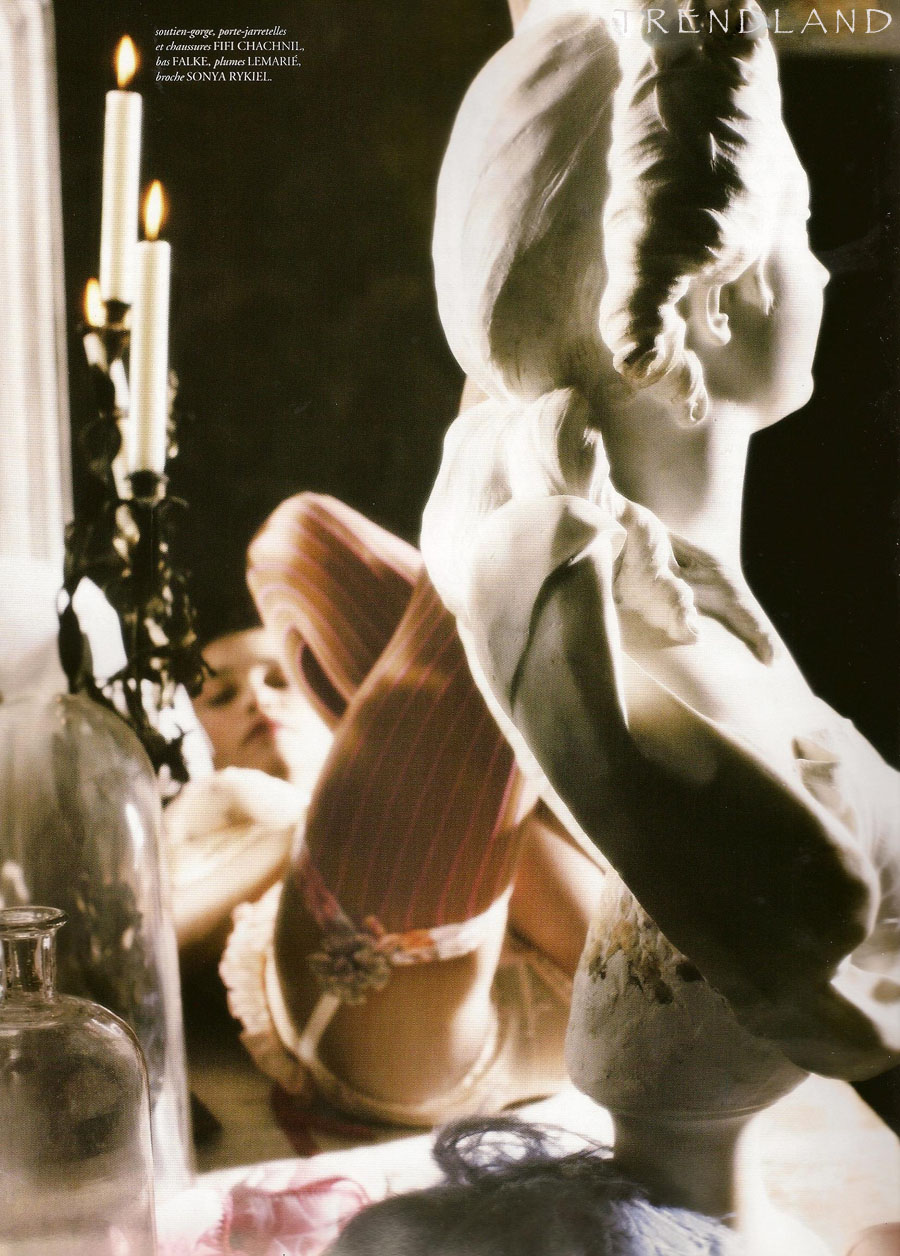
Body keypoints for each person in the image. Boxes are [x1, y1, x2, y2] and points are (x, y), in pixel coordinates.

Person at [418, 0, 899, 1246]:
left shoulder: (657, 620)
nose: (827, 270)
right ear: (716, 302)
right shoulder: (689, 691)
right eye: (801, 232)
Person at [220, 490, 608, 1121]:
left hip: (554, 892)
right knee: (512, 558)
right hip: (401, 1022)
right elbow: (147, 947)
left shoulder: (374, 746)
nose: (257, 699)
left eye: (277, 678)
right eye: (217, 695)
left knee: (297, 538)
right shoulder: (217, 800)